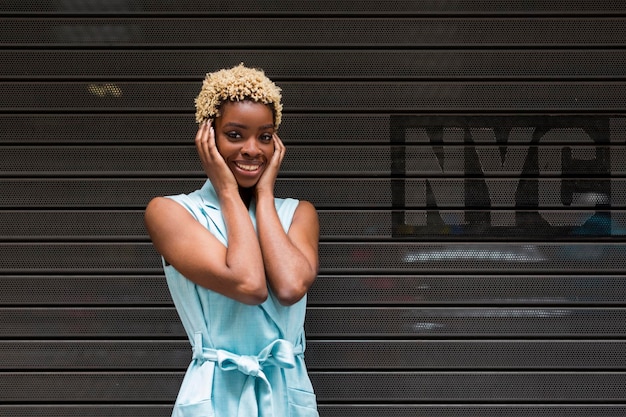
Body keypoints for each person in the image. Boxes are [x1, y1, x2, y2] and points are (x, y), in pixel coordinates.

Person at [144, 63, 320, 417]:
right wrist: (226, 189)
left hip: (285, 394)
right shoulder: (170, 212)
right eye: (235, 135)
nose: (253, 149)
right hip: (214, 394)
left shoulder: (298, 213)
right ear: (207, 135)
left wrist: (266, 196)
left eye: (265, 136)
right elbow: (249, 283)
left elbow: (288, 287)